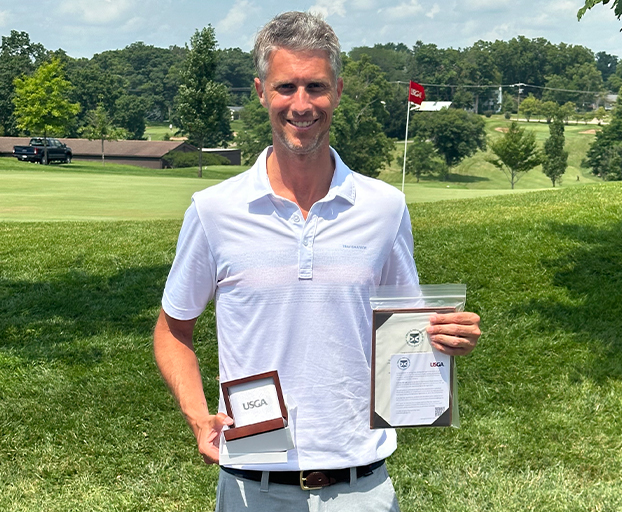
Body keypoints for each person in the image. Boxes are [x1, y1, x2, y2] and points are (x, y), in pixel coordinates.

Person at [153, 11, 481, 512]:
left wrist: (446, 337)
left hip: (362, 485)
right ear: (261, 91)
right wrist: (199, 416)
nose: (301, 105)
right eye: (287, 87)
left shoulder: (384, 207)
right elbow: (172, 330)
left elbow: (408, 329)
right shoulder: (213, 210)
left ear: (339, 90)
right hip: (250, 483)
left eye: (316, 87)